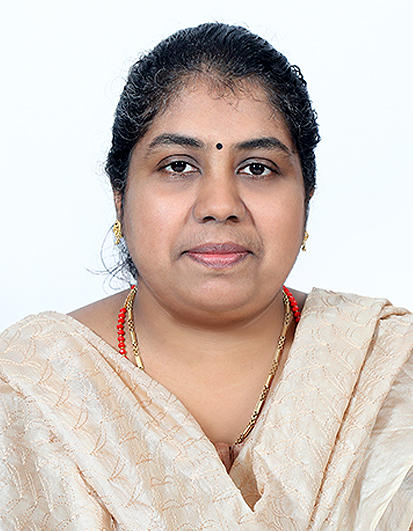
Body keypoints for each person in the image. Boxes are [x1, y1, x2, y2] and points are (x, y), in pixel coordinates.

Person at [1, 22, 412, 531]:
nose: (220, 205)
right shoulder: (28, 391)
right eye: (178, 166)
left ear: (307, 197)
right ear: (120, 196)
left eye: (257, 168)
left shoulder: (388, 371)